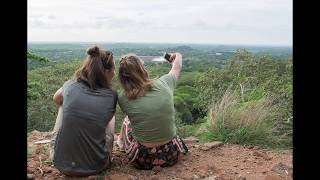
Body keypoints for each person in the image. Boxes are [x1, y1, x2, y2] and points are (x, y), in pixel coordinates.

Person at [50, 45, 117, 176]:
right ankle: (106, 151)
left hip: (60, 163)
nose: (115, 72)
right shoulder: (111, 95)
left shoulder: (70, 85)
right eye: (114, 68)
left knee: (64, 104)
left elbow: (56, 99)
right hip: (98, 165)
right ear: (107, 71)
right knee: (111, 114)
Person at [117, 52, 188, 170]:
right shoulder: (165, 82)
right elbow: (177, 67)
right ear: (143, 69)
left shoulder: (123, 97)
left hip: (142, 159)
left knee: (127, 120)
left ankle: (120, 142)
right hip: (172, 154)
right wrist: (178, 55)